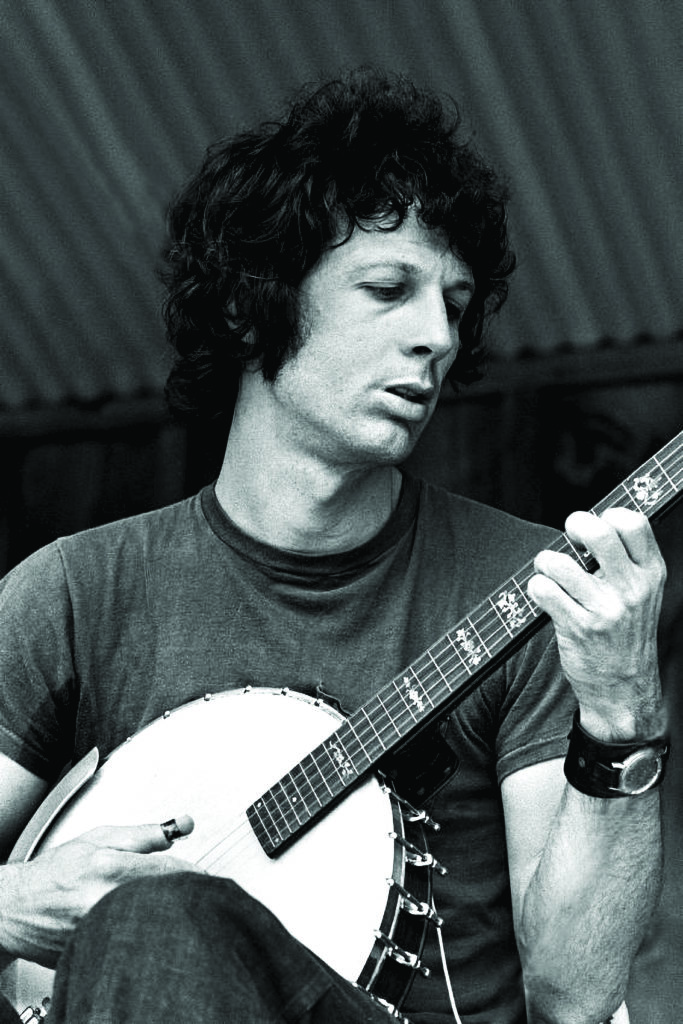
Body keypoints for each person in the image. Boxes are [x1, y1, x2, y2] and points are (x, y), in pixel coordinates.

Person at [0, 68, 669, 1024]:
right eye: (389, 289)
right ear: (249, 306)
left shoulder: (537, 592)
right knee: (156, 925)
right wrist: (16, 903)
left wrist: (619, 709)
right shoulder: (77, 591)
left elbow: (574, 994)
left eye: (455, 302)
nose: (435, 336)